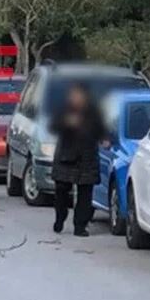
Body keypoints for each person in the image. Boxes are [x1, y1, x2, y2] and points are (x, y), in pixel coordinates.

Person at [49, 82, 108, 237]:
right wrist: (66, 123)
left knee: (85, 194)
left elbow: (101, 129)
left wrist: (104, 138)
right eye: (74, 95)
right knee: (61, 190)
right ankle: (60, 217)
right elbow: (53, 126)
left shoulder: (94, 112)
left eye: (80, 96)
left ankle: (80, 225)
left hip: (87, 158)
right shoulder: (64, 110)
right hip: (66, 156)